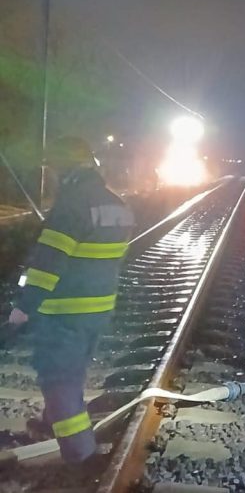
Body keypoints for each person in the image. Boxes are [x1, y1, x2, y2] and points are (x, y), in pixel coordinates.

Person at [8, 136, 134, 464]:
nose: (50, 177)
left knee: (58, 379)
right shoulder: (116, 204)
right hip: (97, 310)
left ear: (66, 171)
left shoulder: (71, 207)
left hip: (62, 312)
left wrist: (23, 309)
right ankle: (50, 423)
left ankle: (82, 456)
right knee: (72, 370)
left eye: (52, 170)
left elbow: (47, 266)